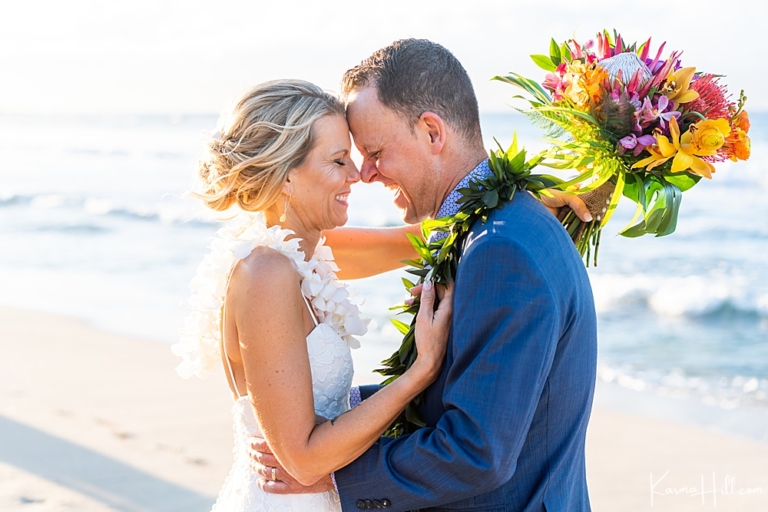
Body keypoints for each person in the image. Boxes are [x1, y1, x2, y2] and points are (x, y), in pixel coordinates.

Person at [250, 39, 598, 511]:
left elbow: (478, 452)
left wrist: (336, 477)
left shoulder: (500, 248)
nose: (365, 174)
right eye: (345, 159)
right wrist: (329, 414)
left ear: (433, 133)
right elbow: (461, 396)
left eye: (374, 151)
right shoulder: (496, 229)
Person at [173, 79, 455, 512]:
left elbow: (419, 238)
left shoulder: (304, 255)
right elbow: (304, 461)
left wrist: (529, 204)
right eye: (339, 160)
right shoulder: (266, 272)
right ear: (287, 175)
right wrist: (421, 370)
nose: (357, 175)